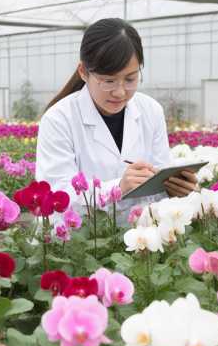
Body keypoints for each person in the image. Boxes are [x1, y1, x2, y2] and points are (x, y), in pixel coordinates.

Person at [36, 18, 198, 219]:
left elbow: (159, 175)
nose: (120, 92)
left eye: (130, 79)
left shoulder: (151, 111)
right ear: (84, 72)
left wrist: (174, 189)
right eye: (109, 81)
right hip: (79, 235)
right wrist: (117, 188)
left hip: (140, 231)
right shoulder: (59, 119)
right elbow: (57, 195)